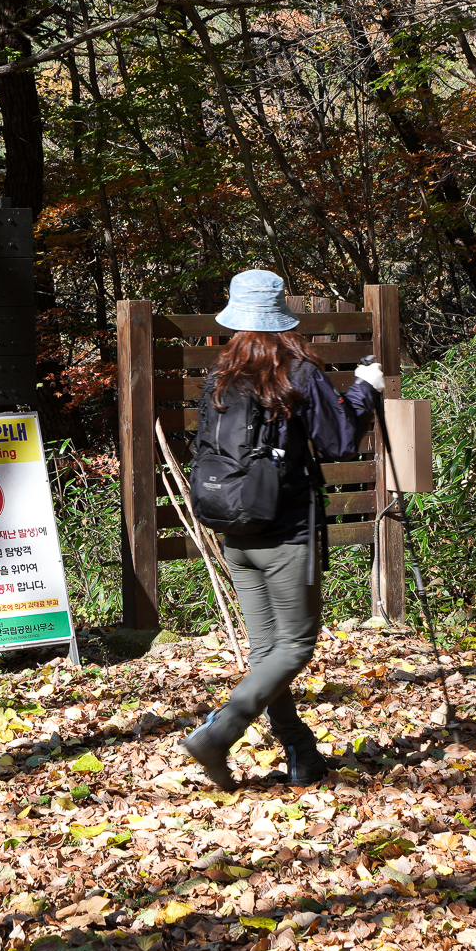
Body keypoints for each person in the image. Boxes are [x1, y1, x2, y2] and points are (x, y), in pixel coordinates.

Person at [181, 269, 384, 789]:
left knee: (266, 651)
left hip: (233, 531)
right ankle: (219, 733)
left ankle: (301, 754)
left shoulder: (220, 375)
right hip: (287, 533)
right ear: (281, 317)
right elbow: (339, 442)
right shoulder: (297, 370)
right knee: (293, 647)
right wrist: (365, 389)